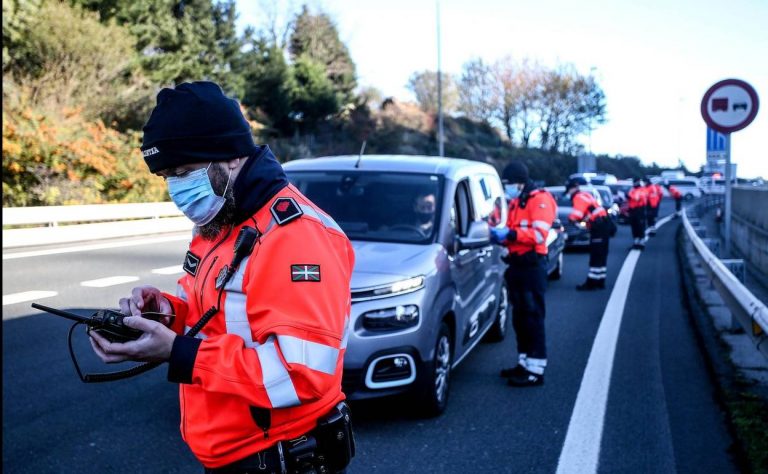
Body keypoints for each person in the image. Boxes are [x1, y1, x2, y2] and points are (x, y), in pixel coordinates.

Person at [88, 82, 356, 473]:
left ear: (230, 156)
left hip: (283, 457)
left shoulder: (294, 236)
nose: (177, 188)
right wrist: (165, 314)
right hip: (236, 453)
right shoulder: (220, 221)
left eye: (183, 171)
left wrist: (178, 352)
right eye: (167, 176)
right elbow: (215, 315)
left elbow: (300, 376)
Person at [489, 161, 556, 387]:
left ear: (519, 182)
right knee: (519, 319)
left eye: (508, 184)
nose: (507, 188)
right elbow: (510, 229)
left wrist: (510, 234)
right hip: (517, 265)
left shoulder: (540, 200)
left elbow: (538, 235)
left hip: (531, 267)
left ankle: (535, 371)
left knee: (532, 318)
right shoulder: (518, 201)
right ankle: (524, 363)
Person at [564, 177, 612, 290]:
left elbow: (577, 214)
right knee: (601, 254)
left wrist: (571, 219)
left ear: (572, 189)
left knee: (596, 254)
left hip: (598, 227)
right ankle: (600, 280)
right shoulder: (586, 194)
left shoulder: (578, 197)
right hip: (603, 224)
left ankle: (591, 283)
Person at [628, 177, 648, 249]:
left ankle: (641, 242)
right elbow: (630, 196)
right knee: (634, 226)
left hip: (639, 210)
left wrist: (629, 196)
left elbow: (636, 198)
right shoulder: (633, 189)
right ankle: (636, 242)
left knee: (640, 226)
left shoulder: (642, 189)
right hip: (632, 210)